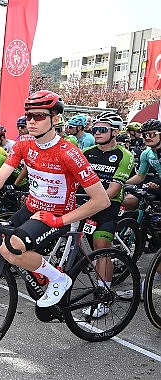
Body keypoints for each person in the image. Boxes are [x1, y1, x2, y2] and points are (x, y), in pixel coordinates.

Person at [0, 90, 110, 331]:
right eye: (28, 115)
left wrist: (59, 220)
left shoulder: (69, 153)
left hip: (57, 216)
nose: (31, 121)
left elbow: (101, 200)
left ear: (55, 118)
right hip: (30, 209)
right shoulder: (24, 144)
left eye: (39, 116)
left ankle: (58, 278)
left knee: (11, 248)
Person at [80, 111, 133, 317]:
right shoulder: (88, 151)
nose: (98, 133)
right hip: (85, 202)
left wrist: (96, 203)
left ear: (115, 132)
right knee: (79, 244)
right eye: (95, 129)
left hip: (108, 204)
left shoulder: (124, 155)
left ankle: (104, 295)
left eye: (103, 129)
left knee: (102, 248)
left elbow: (112, 190)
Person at [124, 119, 161, 208]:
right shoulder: (146, 153)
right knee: (128, 201)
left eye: (151, 134)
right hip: (155, 187)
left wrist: (157, 182)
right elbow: (140, 176)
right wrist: (121, 183)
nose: (147, 138)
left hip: (157, 184)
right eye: (144, 135)